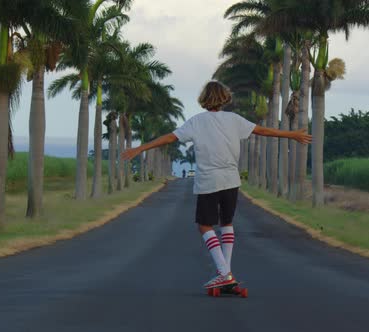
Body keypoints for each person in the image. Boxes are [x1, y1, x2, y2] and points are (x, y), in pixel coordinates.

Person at [121, 81, 312, 289]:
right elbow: (263, 131)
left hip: (209, 181)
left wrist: (140, 148)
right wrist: (292, 135)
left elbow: (169, 138)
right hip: (231, 180)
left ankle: (224, 273)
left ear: (204, 99)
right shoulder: (234, 120)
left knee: (204, 225)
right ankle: (226, 273)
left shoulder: (196, 122)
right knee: (226, 223)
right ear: (224, 98)